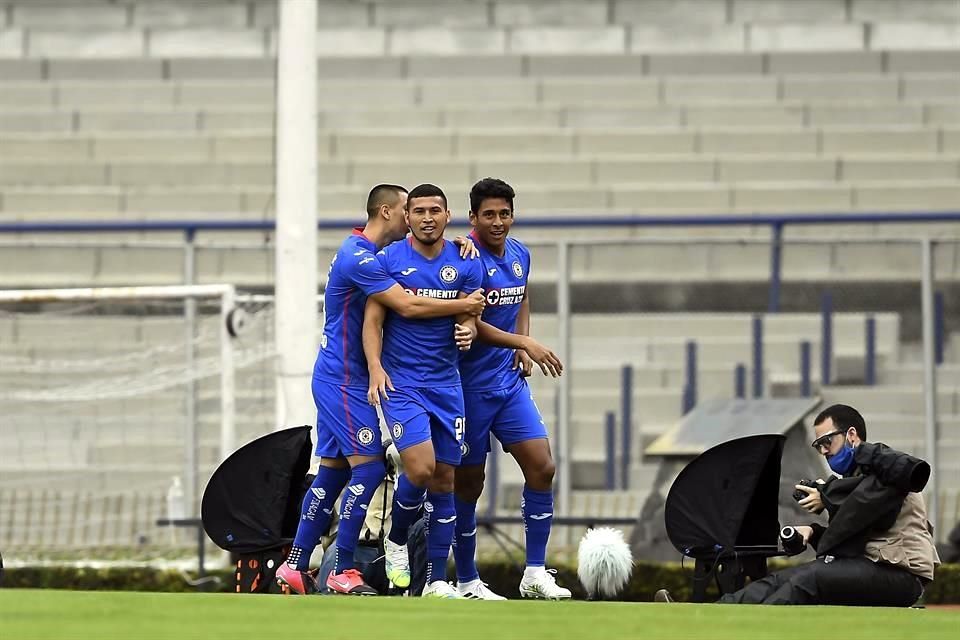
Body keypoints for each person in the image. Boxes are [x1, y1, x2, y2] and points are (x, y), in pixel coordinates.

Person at [275, 184, 485, 596]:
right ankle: (344, 569)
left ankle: (295, 564)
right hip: (347, 379)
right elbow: (406, 305)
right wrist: (464, 304)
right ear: (389, 212)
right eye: (409, 209)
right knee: (370, 468)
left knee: (333, 473)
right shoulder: (362, 258)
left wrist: (458, 247)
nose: (415, 217)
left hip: (338, 375)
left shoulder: (364, 252)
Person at [655, 403, 940, 606]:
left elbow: (863, 503)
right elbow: (850, 537)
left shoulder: (888, 472)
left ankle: (744, 629)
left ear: (852, 435)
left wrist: (826, 495)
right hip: (872, 569)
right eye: (818, 446)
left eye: (827, 441)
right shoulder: (855, 480)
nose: (824, 451)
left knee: (812, 577)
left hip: (903, 578)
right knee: (782, 579)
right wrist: (813, 533)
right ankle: (702, 617)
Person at [451, 178, 571, 600]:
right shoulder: (465, 258)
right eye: (489, 215)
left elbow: (521, 297)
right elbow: (469, 322)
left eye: (504, 214)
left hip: (506, 382)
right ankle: (466, 580)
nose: (498, 222)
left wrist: (522, 339)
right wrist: (525, 343)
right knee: (468, 485)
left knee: (542, 466)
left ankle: (535, 573)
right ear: (473, 218)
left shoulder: (520, 253)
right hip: (467, 387)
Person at [364, 183, 484, 599]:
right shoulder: (390, 260)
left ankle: (435, 579)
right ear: (408, 217)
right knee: (420, 469)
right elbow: (374, 320)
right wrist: (376, 366)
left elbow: (473, 312)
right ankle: (396, 539)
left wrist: (468, 331)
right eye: (419, 211)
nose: (427, 218)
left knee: (446, 480)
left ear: (447, 216)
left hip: (447, 383)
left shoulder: (465, 261)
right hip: (402, 383)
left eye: (435, 210)